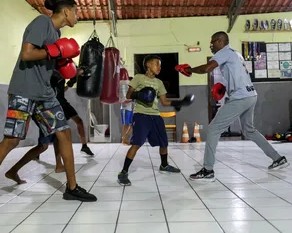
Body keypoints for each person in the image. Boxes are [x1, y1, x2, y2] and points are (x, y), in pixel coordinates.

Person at [0, 0, 97, 216]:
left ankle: (72, 188)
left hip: (45, 93)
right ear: (66, 11)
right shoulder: (42, 22)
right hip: (23, 91)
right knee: (12, 140)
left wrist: (66, 67)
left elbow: (46, 64)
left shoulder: (57, 34)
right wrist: (56, 52)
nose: (77, 16)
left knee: (64, 133)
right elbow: (27, 54)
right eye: (75, 12)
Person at [183, 31, 289, 182]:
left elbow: (207, 68)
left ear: (220, 41)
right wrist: (225, 86)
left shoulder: (224, 52)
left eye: (213, 42)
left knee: (214, 128)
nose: (211, 45)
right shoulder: (236, 54)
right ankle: (278, 158)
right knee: (249, 130)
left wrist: (189, 70)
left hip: (240, 97)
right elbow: (238, 74)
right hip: (251, 95)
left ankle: (208, 170)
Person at [5, 69, 94, 185]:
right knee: (43, 146)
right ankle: (13, 170)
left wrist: (73, 79)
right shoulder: (50, 70)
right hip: (47, 107)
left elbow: (62, 89)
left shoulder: (61, 72)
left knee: (62, 133)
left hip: (59, 104)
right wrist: (75, 73)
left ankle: (64, 166)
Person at [117, 55, 195, 186]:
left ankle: (164, 165)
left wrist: (179, 102)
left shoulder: (159, 83)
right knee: (136, 143)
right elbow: (128, 95)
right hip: (141, 115)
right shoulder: (138, 78)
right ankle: (123, 172)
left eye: (160, 65)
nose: (159, 67)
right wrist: (141, 95)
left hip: (155, 116)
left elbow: (164, 102)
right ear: (148, 64)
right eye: (156, 64)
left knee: (164, 142)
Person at [121, 77, 134, 145]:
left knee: (132, 125)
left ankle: (125, 138)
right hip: (125, 108)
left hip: (131, 108)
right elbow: (123, 98)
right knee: (126, 125)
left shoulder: (131, 89)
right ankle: (124, 140)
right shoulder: (124, 88)